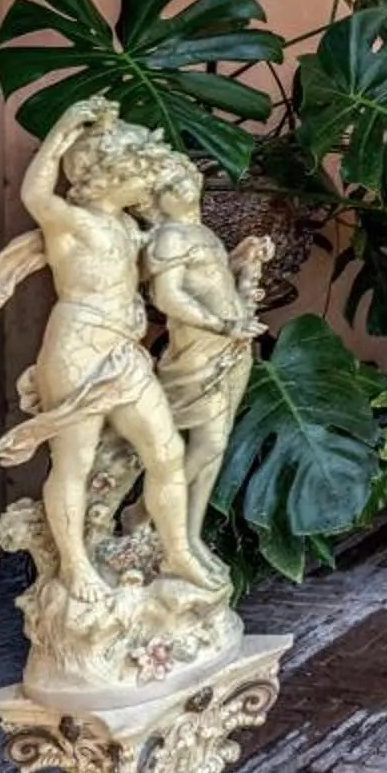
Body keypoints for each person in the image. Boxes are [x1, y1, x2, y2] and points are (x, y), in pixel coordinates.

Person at [0, 96, 225, 600]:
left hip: (125, 353)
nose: (148, 183)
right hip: (77, 348)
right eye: (140, 174)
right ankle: (76, 567)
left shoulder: (130, 227)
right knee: (74, 462)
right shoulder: (72, 223)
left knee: (166, 451)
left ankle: (177, 551)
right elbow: (37, 193)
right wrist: (64, 125)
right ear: (111, 177)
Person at [138, 148, 272, 529]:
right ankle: (144, 516)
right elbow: (167, 297)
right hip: (198, 352)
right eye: (171, 183)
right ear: (155, 195)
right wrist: (223, 325)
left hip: (230, 347)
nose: (184, 185)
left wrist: (243, 256)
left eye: (185, 176)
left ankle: (189, 534)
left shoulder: (201, 232)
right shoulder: (168, 239)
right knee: (206, 444)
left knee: (215, 446)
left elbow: (209, 281)